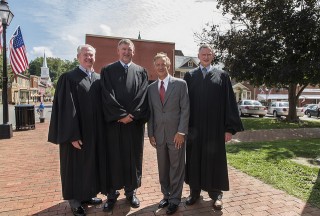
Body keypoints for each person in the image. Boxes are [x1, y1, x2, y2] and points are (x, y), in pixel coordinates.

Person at [184, 44, 244, 210]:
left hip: (215, 129)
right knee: (194, 159)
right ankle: (194, 192)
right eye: (203, 54)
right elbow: (183, 103)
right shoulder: (189, 76)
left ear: (213, 55)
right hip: (194, 128)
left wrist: (229, 129)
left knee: (215, 160)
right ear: (198, 55)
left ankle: (216, 194)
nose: (206, 56)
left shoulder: (222, 76)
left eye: (209, 54)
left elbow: (229, 103)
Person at [48, 44, 104, 216]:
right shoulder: (69, 78)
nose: (89, 58)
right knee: (74, 166)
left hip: (93, 133)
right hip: (76, 133)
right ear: (78, 57)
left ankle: (87, 195)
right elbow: (66, 108)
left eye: (91, 55)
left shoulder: (98, 78)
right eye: (85, 55)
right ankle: (74, 200)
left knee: (90, 165)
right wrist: (72, 134)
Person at [100, 38, 149, 212]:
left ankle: (131, 192)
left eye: (129, 49)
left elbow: (143, 95)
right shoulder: (107, 71)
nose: (126, 52)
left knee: (132, 158)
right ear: (118, 51)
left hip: (133, 126)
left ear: (133, 51)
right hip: (114, 125)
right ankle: (111, 195)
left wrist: (133, 115)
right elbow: (106, 95)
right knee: (113, 158)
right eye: (123, 49)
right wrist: (120, 115)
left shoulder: (141, 72)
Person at [147, 53, 189, 215]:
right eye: (157, 64)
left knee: (176, 167)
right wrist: (150, 133)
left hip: (176, 135)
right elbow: (150, 112)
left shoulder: (180, 84)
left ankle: (175, 199)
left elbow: (185, 109)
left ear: (168, 65)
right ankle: (166, 195)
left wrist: (181, 132)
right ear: (154, 66)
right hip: (159, 135)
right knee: (163, 167)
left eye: (163, 64)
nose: (160, 67)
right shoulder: (151, 89)